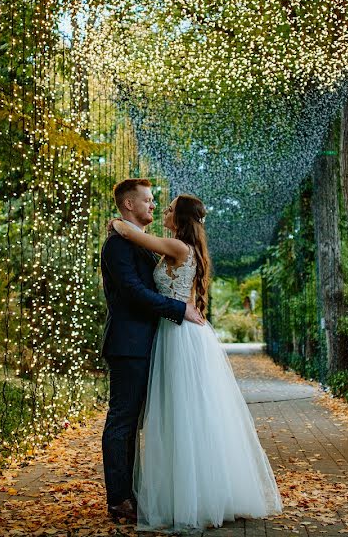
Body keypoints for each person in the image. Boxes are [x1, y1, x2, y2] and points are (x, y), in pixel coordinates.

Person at [111, 194, 282, 532]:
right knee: (185, 414)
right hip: (176, 331)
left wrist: (117, 222)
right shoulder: (184, 247)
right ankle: (189, 492)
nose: (163, 211)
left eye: (170, 208)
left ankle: (191, 497)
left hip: (178, 336)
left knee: (183, 414)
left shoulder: (177, 247)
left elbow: (131, 234)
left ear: (183, 218)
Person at [100, 179, 206, 523]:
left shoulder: (146, 242)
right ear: (128, 205)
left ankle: (144, 492)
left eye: (158, 202)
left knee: (152, 422)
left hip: (156, 343)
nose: (154, 205)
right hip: (129, 344)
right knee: (123, 421)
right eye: (147, 200)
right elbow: (131, 291)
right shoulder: (117, 244)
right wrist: (179, 310)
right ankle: (119, 499)